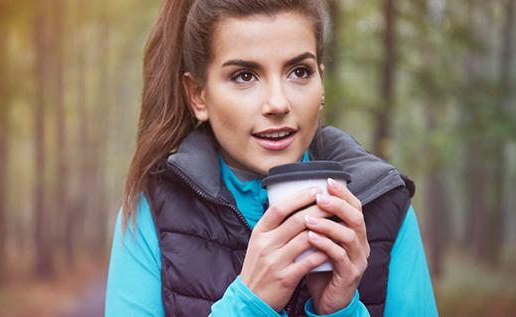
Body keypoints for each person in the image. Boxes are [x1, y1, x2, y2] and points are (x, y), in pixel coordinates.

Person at [105, 0, 439, 316]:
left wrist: (342, 310)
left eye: (299, 71)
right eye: (244, 76)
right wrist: (249, 303)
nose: (278, 103)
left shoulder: (384, 205)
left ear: (321, 83)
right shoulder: (153, 211)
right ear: (198, 96)